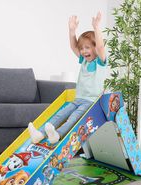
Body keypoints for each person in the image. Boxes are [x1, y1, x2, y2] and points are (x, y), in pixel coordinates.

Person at [28, 11, 107, 144]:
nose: (83, 51)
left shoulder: (100, 62)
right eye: (82, 48)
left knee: (73, 118)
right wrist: (72, 31)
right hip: (78, 99)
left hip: (91, 102)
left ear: (95, 48)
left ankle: (57, 135)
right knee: (60, 114)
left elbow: (100, 46)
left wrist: (96, 28)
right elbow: (73, 46)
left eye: (87, 47)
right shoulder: (84, 61)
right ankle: (39, 134)